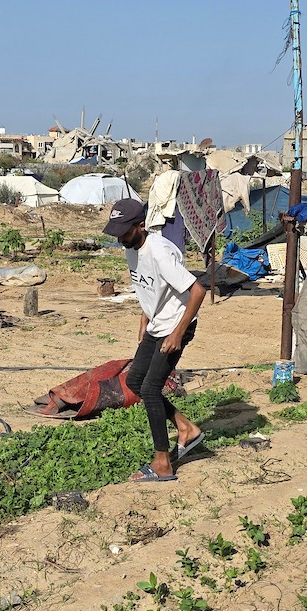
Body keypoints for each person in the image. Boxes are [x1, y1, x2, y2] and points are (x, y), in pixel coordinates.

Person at [103, 198, 207, 482]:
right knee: (135, 381)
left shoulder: (159, 251)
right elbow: (150, 289)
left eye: (124, 231)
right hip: (157, 324)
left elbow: (198, 291)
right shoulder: (131, 249)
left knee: (150, 389)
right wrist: (144, 321)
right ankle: (186, 428)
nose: (120, 238)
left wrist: (177, 333)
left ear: (141, 225)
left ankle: (163, 462)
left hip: (176, 325)